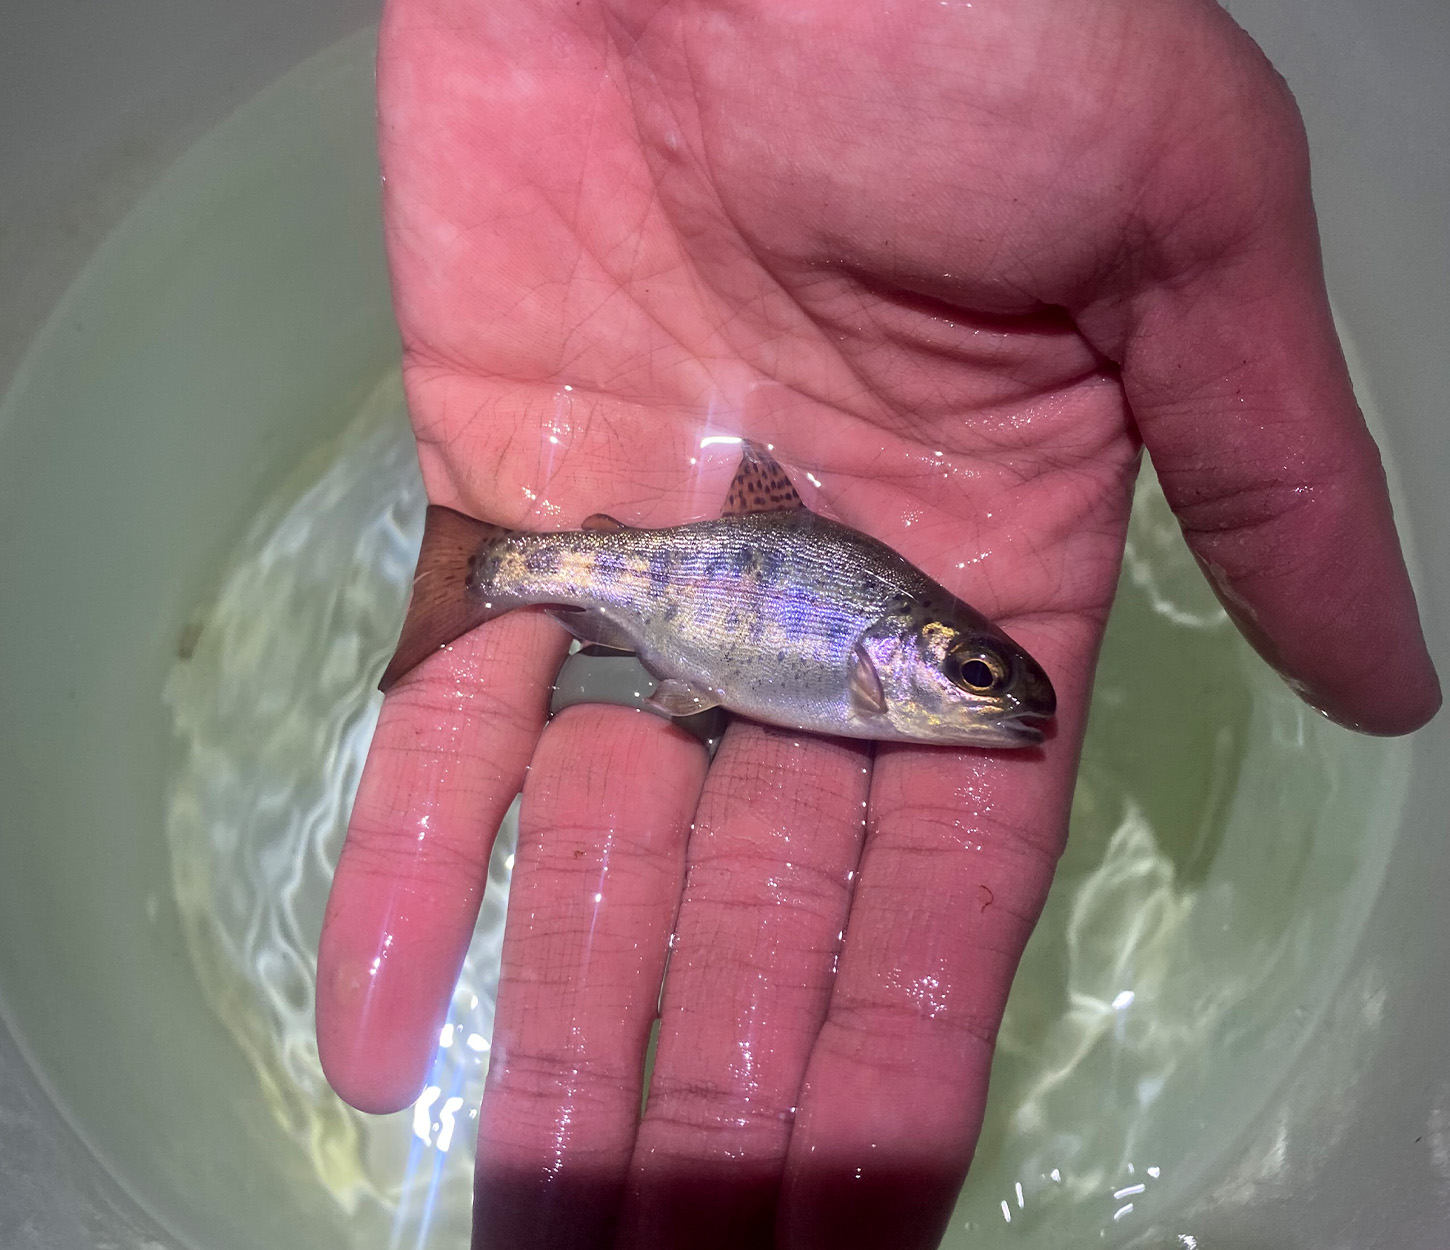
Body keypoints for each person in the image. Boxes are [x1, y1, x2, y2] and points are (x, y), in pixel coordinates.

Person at [315, 0, 1440, 1245]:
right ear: (902, 652)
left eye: (978, 672)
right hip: (667, 602)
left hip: (678, 617)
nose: (992, 695)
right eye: (969, 670)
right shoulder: (851, 653)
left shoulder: (877, 657)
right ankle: (490, 569)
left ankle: (500, 573)